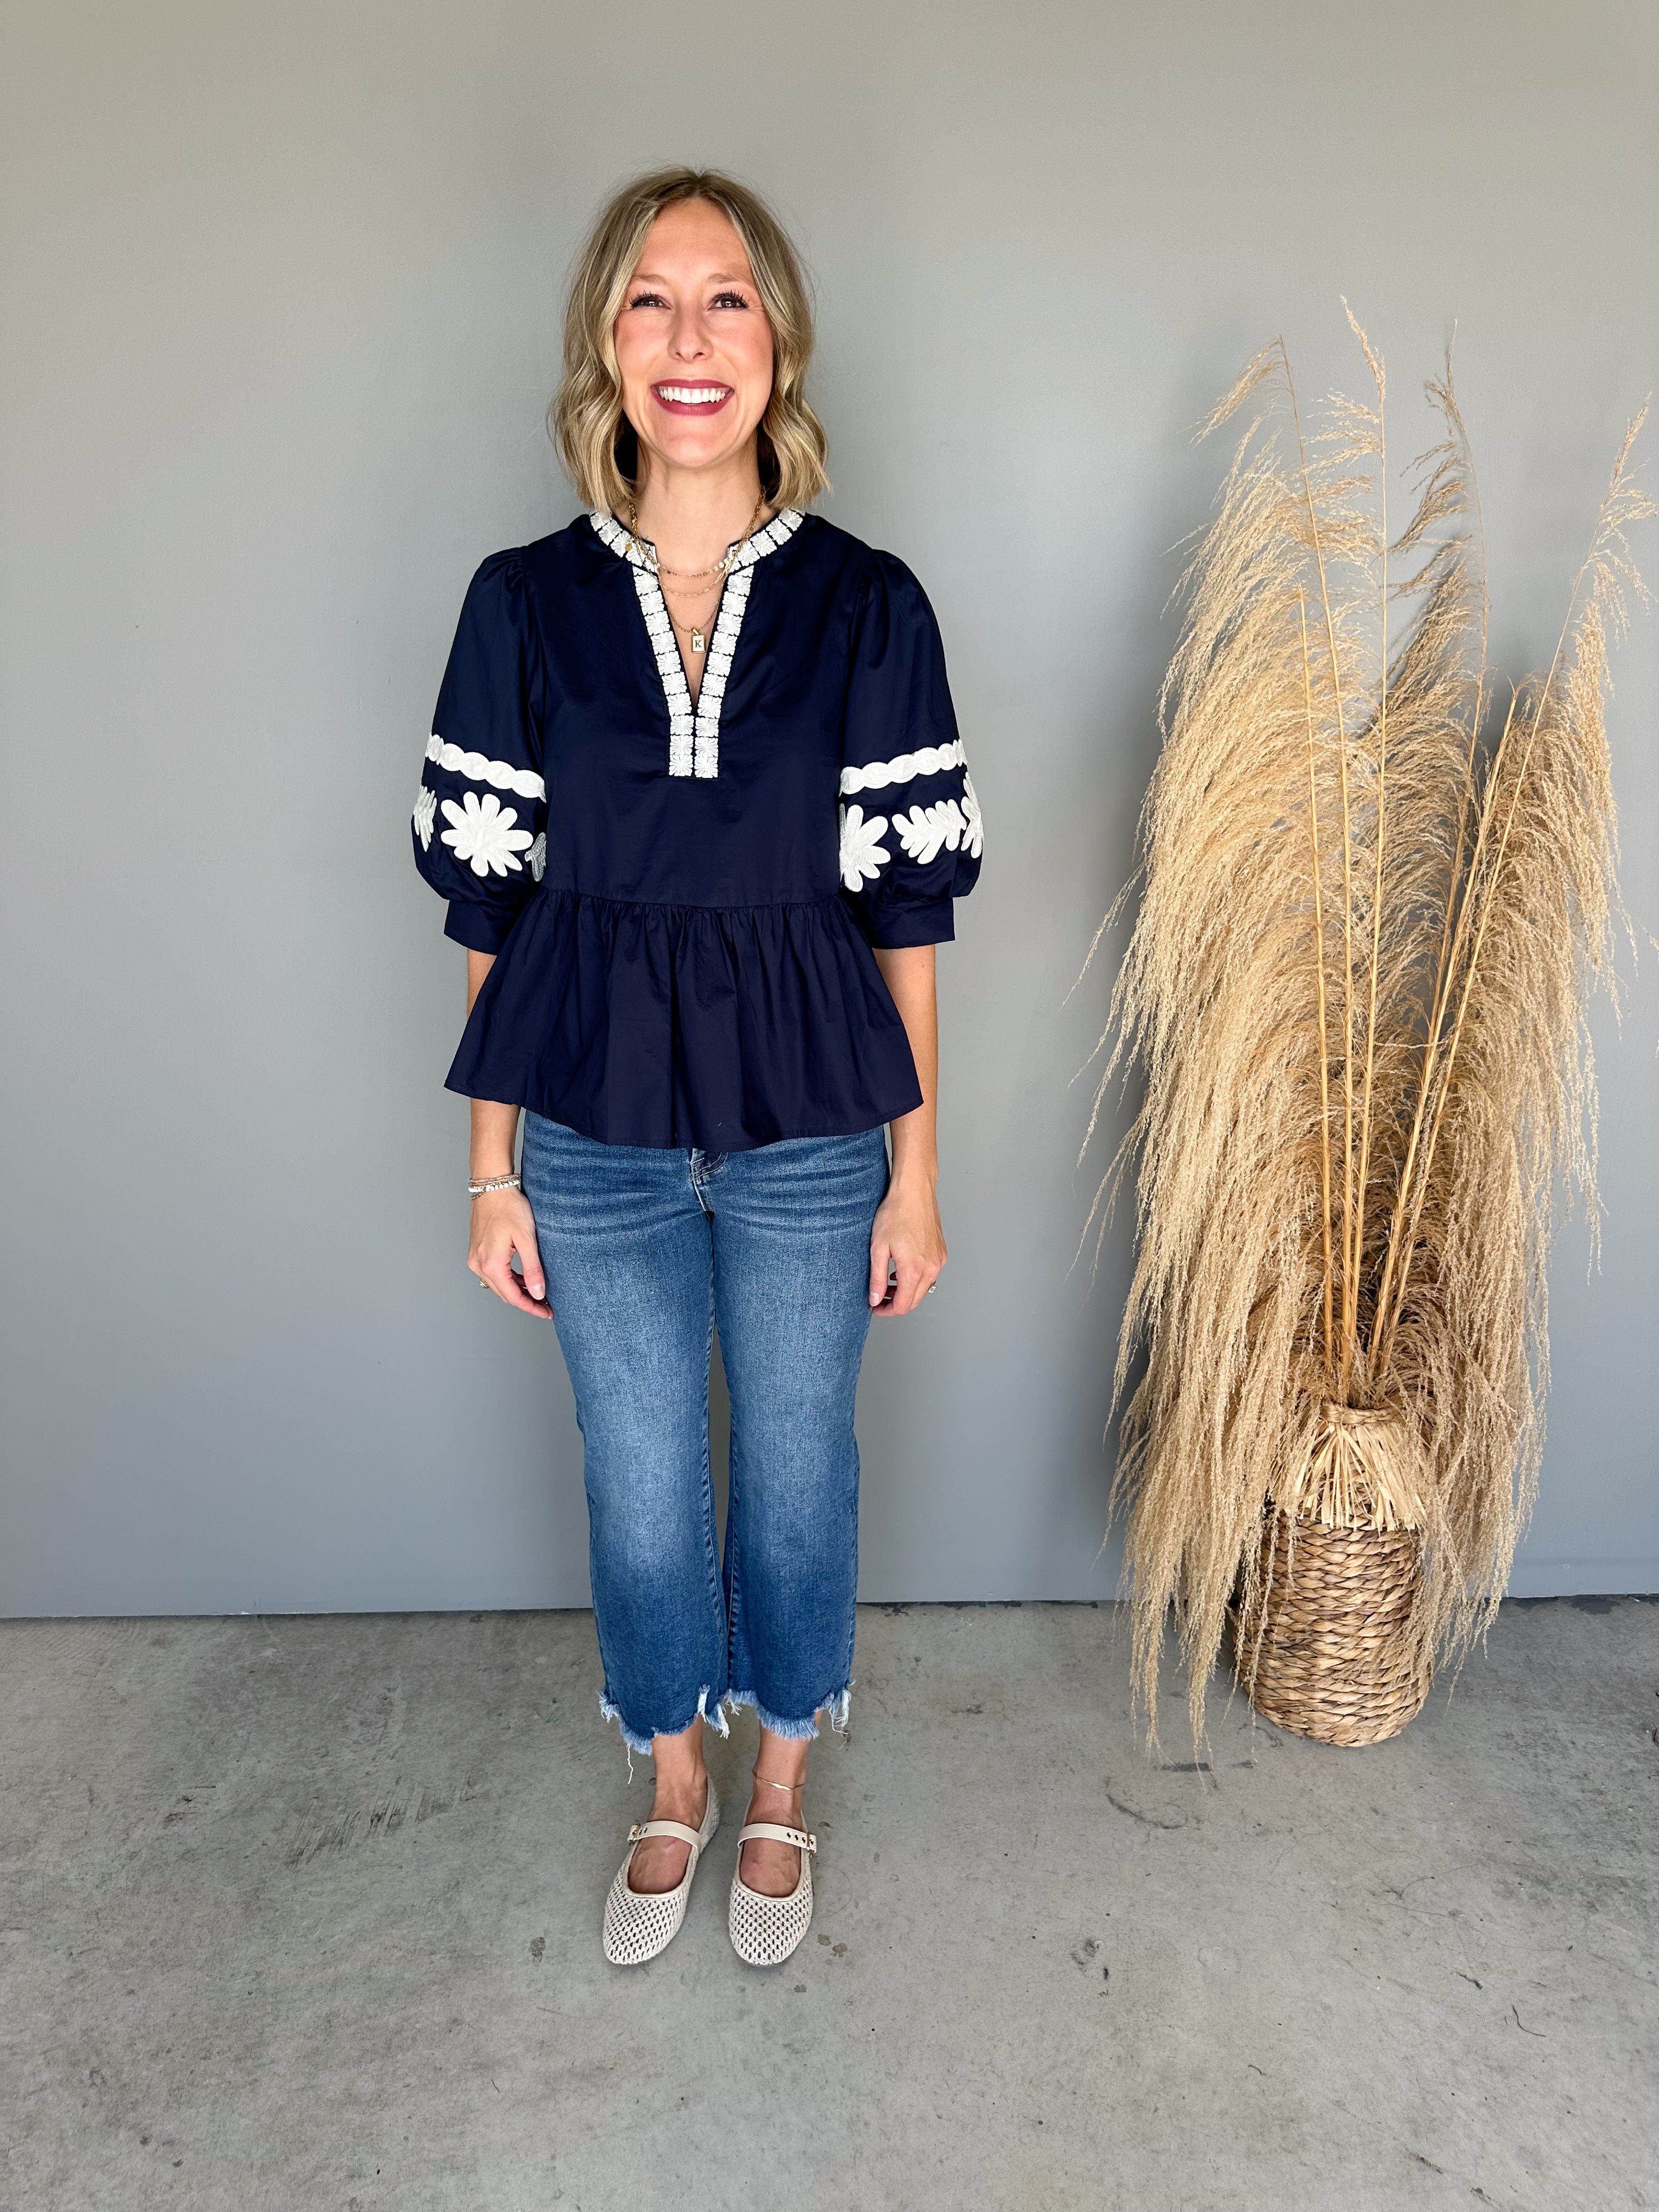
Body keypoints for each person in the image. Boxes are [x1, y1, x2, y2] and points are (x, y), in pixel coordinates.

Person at [411, 166, 981, 1968]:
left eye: (725, 299)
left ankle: (784, 1776)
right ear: (608, 342)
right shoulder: (520, 605)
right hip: (590, 1133)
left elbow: (907, 913)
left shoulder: (870, 606)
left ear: (776, 342)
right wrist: (490, 1171)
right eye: (651, 300)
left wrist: (918, 1172)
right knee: (645, 1484)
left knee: (799, 1477)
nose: (689, 338)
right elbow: (491, 905)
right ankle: (672, 1771)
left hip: (816, 1129)